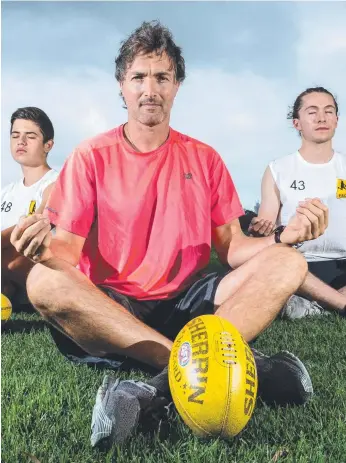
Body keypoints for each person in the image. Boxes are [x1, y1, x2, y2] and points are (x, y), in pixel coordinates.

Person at [10, 22, 328, 448]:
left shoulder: (205, 158)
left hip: (187, 305)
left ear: (177, 85)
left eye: (162, 77)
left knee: (288, 261)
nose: (150, 89)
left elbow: (232, 247)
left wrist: (283, 236)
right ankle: (210, 365)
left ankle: (154, 388)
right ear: (121, 86)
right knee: (43, 279)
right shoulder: (90, 156)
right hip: (111, 307)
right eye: (138, 77)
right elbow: (66, 249)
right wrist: (42, 246)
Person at [250, 87, 346, 318]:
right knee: (271, 266)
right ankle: (338, 304)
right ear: (297, 123)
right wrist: (260, 227)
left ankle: (314, 307)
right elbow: (267, 226)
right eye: (312, 112)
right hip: (298, 265)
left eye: (328, 111)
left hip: (342, 263)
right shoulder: (278, 170)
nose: (322, 118)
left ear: (336, 120)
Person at [1, 107, 59, 305]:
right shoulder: (5, 192)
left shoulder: (58, 183)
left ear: (48, 145)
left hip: (39, 272)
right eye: (15, 135)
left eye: (30, 136)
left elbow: (32, 228)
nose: (21, 141)